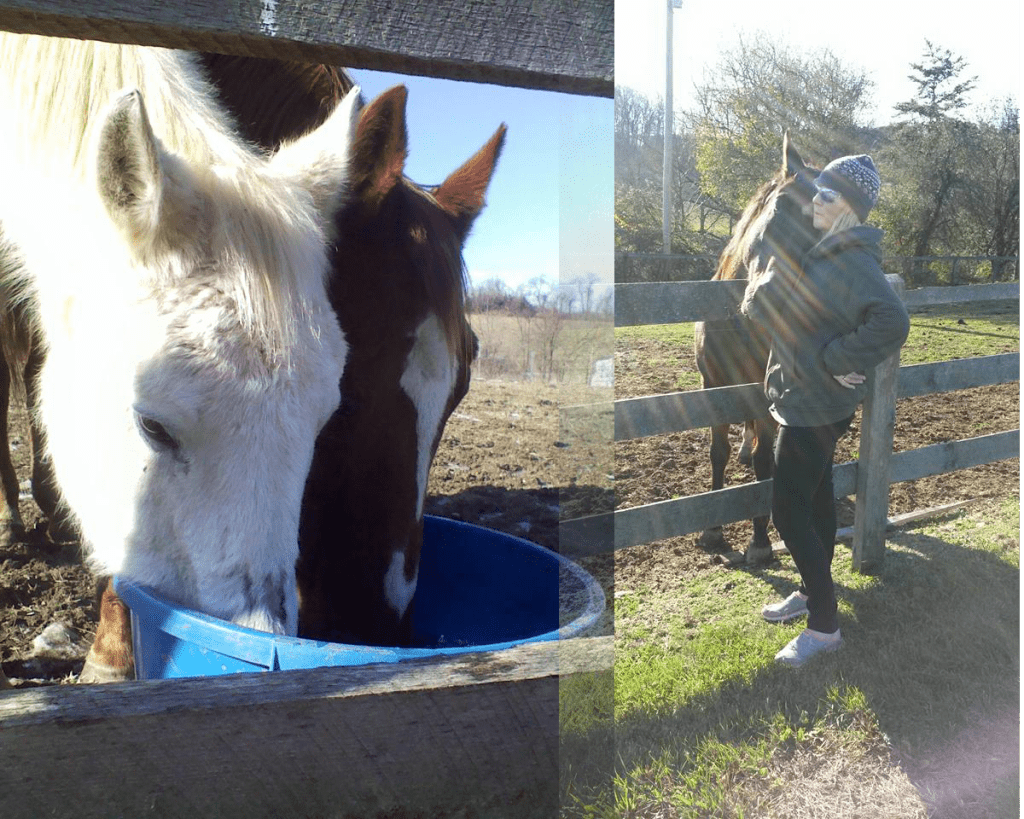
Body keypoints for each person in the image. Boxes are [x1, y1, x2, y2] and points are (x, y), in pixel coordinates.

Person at [740, 154, 910, 667]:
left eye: (827, 195)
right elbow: (774, 309)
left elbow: (892, 321)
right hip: (805, 397)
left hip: (814, 404)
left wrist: (838, 359)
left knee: (786, 511)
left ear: (850, 208)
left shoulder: (852, 259)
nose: (815, 199)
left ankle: (825, 625)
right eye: (817, 191)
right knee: (815, 499)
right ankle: (814, 596)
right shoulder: (825, 250)